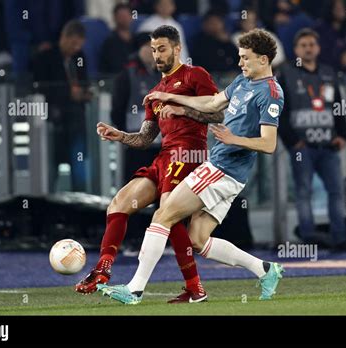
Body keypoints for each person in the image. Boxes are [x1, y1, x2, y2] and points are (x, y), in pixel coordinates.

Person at [97, 28, 285, 304]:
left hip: (222, 169)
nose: (240, 63)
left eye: (245, 58)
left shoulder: (270, 92)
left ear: (264, 60)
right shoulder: (242, 83)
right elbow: (211, 102)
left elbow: (269, 144)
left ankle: (135, 289)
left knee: (163, 216)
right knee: (197, 239)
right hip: (227, 172)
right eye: (240, 57)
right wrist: (176, 101)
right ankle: (265, 269)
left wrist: (234, 138)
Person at [76, 25, 224, 303]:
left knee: (169, 213)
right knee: (119, 202)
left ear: (177, 49)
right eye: (153, 49)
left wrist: (183, 108)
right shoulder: (156, 91)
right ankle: (103, 269)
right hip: (164, 156)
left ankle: (193, 288)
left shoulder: (195, 75)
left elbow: (218, 113)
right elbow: (145, 138)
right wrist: (119, 135)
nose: (157, 55)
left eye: (162, 49)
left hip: (188, 154)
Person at [277, 28, 346, 249]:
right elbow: (278, 110)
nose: (308, 49)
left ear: (318, 48)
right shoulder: (286, 74)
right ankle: (309, 239)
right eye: (303, 45)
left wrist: (343, 135)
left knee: (336, 192)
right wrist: (291, 141)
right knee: (303, 192)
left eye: (312, 44)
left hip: (328, 144)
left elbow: (338, 107)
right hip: (302, 146)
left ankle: (340, 239)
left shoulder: (329, 74)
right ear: (296, 50)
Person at [32, 20, 91, 192]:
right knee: (51, 168)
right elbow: (40, 88)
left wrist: (85, 93)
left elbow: (84, 82)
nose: (75, 48)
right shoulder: (45, 57)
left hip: (77, 121)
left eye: (79, 45)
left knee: (79, 166)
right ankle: (47, 203)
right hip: (53, 122)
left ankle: (81, 204)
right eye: (73, 43)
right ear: (63, 37)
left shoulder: (80, 58)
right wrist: (68, 94)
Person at [110, 32, 161, 181]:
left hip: (161, 144)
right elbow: (117, 111)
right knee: (135, 187)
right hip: (136, 145)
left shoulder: (162, 73)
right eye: (149, 47)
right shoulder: (127, 75)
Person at [99, 3, 134, 75]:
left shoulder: (136, 39)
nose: (125, 19)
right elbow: (114, 67)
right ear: (114, 18)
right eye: (121, 16)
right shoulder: (110, 42)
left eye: (126, 16)